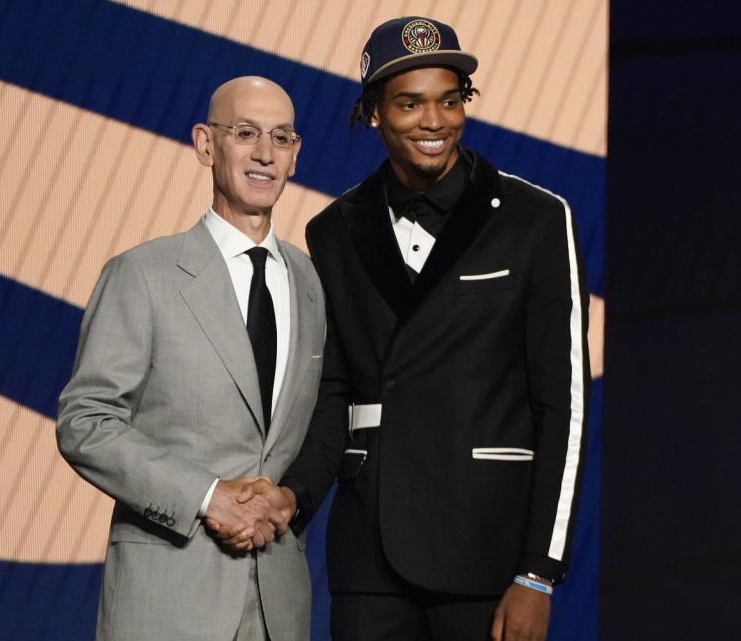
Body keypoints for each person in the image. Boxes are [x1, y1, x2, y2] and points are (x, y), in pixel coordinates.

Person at [246, 16, 590, 641]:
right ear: (374, 113)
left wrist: (539, 573)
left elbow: (563, 406)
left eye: (450, 100)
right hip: (370, 553)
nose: (435, 121)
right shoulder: (335, 231)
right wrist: (293, 495)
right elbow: (333, 392)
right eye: (411, 103)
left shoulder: (535, 220)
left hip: (487, 549)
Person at [56, 76, 325, 641]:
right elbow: (86, 422)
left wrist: (287, 501)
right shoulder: (141, 274)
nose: (264, 153)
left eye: (280, 138)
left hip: (278, 601)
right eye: (245, 133)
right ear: (206, 144)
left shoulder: (310, 281)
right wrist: (207, 497)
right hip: (168, 598)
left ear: (296, 155)